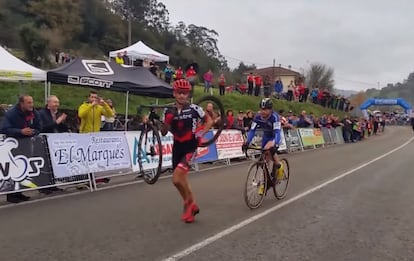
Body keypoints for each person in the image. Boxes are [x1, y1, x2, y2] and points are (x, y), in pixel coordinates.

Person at [160, 79, 213, 223]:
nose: (182, 96)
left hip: (191, 146)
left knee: (177, 177)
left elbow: (209, 121)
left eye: (185, 93)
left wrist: (201, 133)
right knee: (178, 182)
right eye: (179, 93)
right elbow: (163, 132)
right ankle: (192, 204)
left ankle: (188, 203)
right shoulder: (168, 110)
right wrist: (167, 121)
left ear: (188, 94)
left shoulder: (194, 108)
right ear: (174, 93)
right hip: (177, 146)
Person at [242, 98, 284, 190]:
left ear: (270, 109)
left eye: (265, 110)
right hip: (266, 136)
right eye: (261, 109)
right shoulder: (257, 116)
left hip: (274, 136)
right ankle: (265, 181)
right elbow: (252, 130)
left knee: (269, 149)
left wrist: (275, 144)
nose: (263, 111)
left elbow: (277, 132)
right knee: (265, 159)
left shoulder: (274, 117)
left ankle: (279, 166)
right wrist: (247, 142)